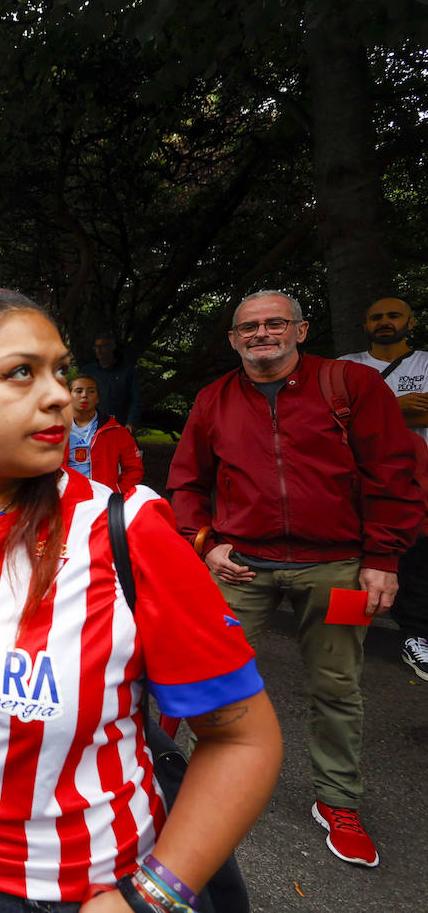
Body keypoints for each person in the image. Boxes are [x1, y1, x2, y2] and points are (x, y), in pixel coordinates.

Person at [0, 287, 283, 913]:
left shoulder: (127, 530)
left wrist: (150, 895)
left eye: (61, 370)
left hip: (71, 892)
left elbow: (243, 740)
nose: (61, 394)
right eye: (20, 373)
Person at [169, 290, 423, 868]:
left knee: (337, 686)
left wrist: (382, 558)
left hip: (336, 566)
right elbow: (186, 482)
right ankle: (176, 783)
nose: (262, 334)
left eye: (274, 323)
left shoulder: (350, 387)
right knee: (203, 677)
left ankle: (338, 801)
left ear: (301, 331)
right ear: (233, 340)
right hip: (242, 567)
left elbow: (394, 472)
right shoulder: (213, 400)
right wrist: (207, 543)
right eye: (249, 327)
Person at [339, 296, 428, 681]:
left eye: (393, 315)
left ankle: (417, 635)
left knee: (417, 555)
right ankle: (344, 634)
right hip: (360, 476)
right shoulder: (347, 365)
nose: (385, 322)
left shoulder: (425, 362)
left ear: (411, 320)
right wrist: (398, 405)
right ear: (365, 324)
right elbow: (332, 412)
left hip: (419, 476)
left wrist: (376, 406)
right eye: (376, 317)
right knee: (354, 555)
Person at [63, 374, 143, 492]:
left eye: (91, 391)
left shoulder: (116, 430)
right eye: (79, 391)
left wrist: (117, 492)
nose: (84, 395)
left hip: (102, 500)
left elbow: (134, 469)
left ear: (98, 398)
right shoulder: (55, 430)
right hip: (65, 497)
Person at [81, 332, 142, 434]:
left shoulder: (127, 371)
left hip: (119, 426)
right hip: (90, 428)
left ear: (112, 347)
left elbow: (136, 401)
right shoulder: (88, 371)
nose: (99, 350)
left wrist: (131, 423)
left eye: (103, 346)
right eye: (96, 347)